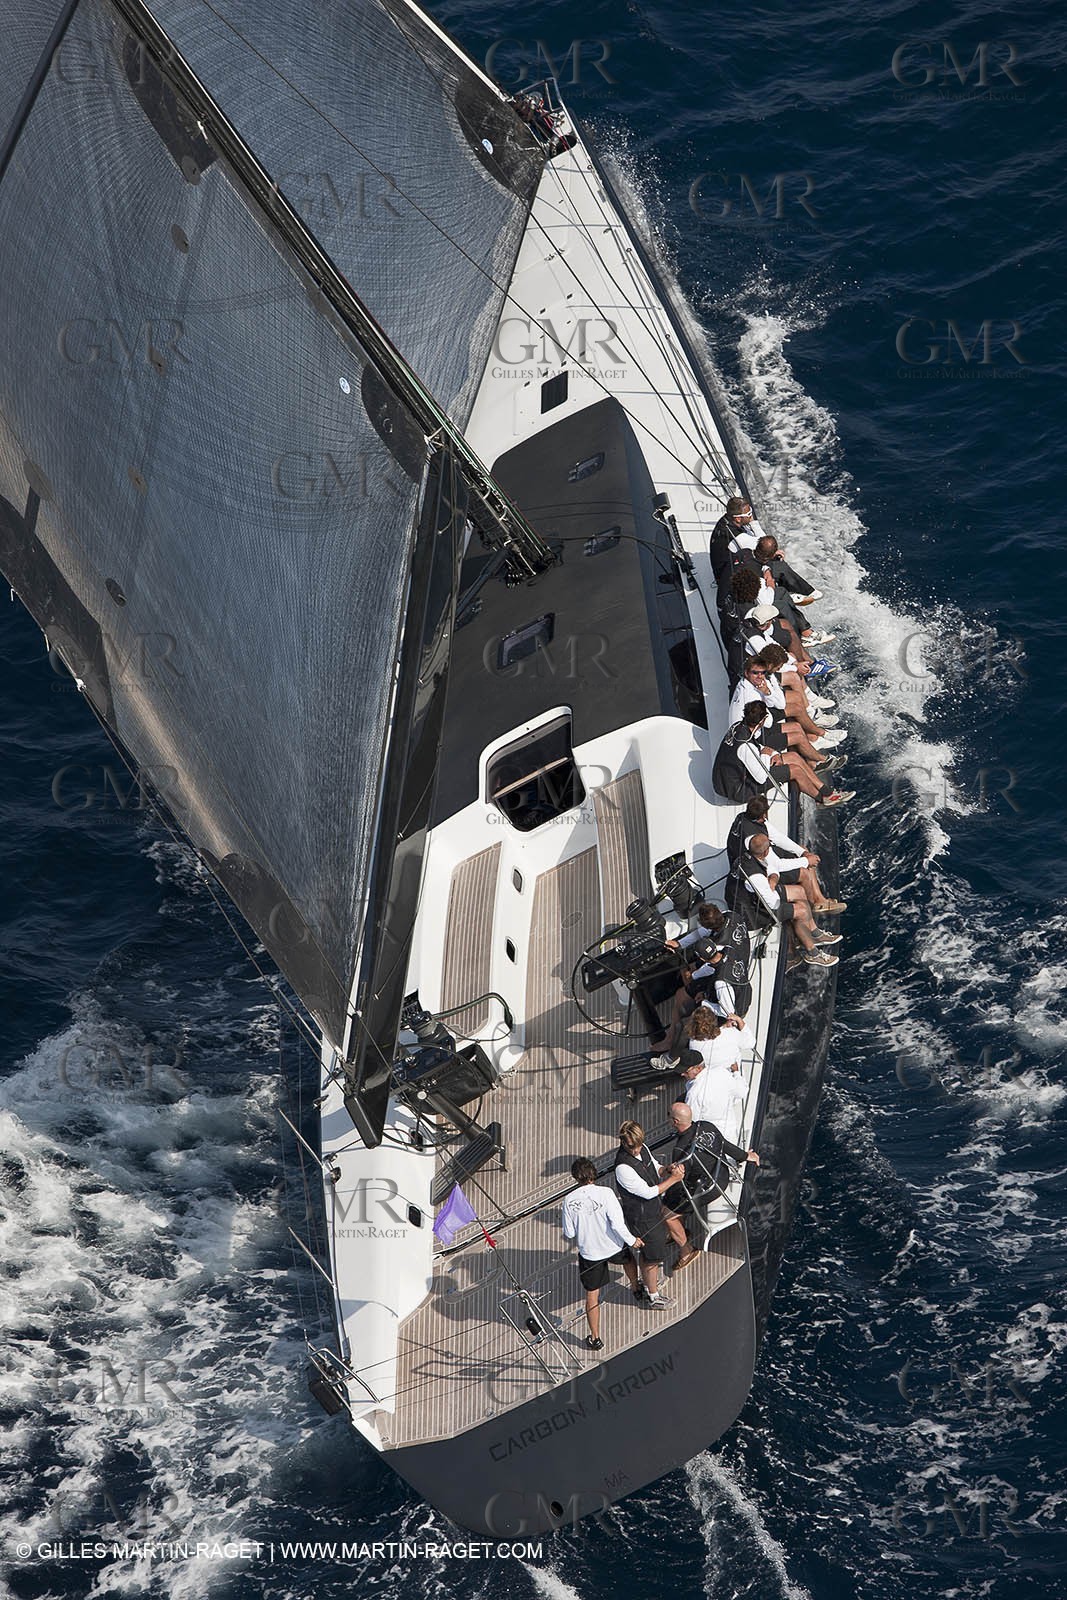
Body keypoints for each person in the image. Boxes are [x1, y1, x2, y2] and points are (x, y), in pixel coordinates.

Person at [562, 1157, 644, 1349]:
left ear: (575, 1177)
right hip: (613, 1245)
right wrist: (633, 1240)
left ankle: (595, 1337)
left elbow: (569, 1233)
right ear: (593, 1173)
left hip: (590, 1254)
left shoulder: (569, 1200)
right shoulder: (606, 1193)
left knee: (592, 1295)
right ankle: (635, 1287)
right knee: (628, 1260)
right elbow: (617, 1224)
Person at [727, 832, 841, 964]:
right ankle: (813, 954)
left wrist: (773, 879)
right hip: (751, 912)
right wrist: (774, 887)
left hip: (757, 894)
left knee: (799, 891)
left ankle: (813, 933)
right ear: (765, 852)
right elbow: (773, 904)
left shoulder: (750, 851)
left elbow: (773, 866)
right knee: (802, 910)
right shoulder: (755, 878)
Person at [614, 1120, 698, 1293]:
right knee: (650, 1258)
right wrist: (674, 1179)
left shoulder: (642, 1148)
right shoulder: (623, 1167)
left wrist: (666, 1170)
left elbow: (655, 1167)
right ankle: (653, 1294)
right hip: (643, 1218)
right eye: (631, 1146)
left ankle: (651, 1282)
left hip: (653, 1209)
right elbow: (648, 1192)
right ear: (623, 1142)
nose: (636, 1150)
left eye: (638, 1145)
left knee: (653, 1251)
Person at [727, 794, 846, 915]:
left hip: (754, 857)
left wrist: (802, 852)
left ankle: (820, 899)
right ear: (763, 815)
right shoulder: (755, 840)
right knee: (804, 873)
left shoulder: (745, 818)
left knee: (802, 850)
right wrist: (807, 861)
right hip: (756, 867)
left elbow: (776, 836)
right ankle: (813, 906)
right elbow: (777, 865)